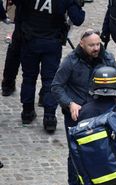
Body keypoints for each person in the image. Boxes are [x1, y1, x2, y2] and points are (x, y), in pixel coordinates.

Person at [51, 29, 116, 185]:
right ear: (82, 44)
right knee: (76, 153)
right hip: (77, 115)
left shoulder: (108, 58)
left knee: (104, 148)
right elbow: (56, 86)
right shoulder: (71, 61)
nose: (96, 48)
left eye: (98, 44)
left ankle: (101, 184)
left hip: (100, 113)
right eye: (92, 45)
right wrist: (69, 103)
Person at [18, 0, 85, 132]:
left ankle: (27, 112)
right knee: (50, 81)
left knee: (28, 77)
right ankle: (49, 117)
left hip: (30, 39)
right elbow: (78, 19)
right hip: (51, 42)